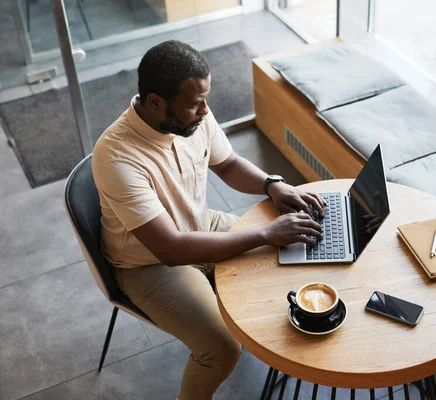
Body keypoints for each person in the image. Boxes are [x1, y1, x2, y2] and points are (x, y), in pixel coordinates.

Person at [92, 40, 326, 400]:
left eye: (205, 99)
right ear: (156, 102)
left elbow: (228, 164)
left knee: (288, 258)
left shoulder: (191, 117)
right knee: (221, 349)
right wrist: (266, 232)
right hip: (149, 262)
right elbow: (170, 248)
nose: (205, 111)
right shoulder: (117, 157)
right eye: (195, 104)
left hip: (202, 224)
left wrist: (271, 185)